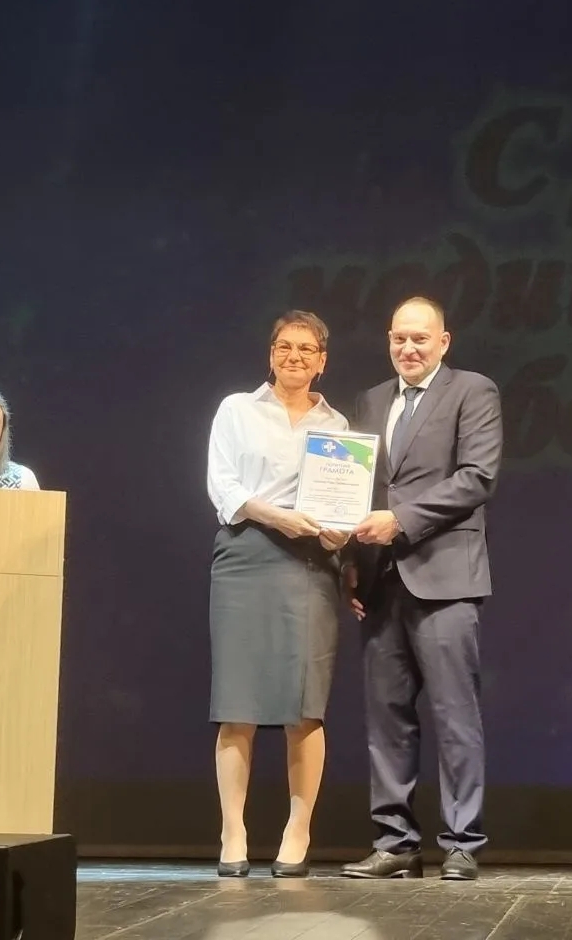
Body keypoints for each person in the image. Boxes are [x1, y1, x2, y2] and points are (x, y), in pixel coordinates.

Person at [342, 296, 503, 881]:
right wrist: (351, 562)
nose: (408, 348)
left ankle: (461, 842)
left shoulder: (473, 391)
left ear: (443, 341)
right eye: (399, 339)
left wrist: (401, 520)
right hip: (382, 580)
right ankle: (395, 843)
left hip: (446, 577)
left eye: (420, 339)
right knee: (386, 719)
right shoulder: (371, 401)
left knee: (455, 715)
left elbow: (477, 477)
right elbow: (360, 487)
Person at [205, 310, 352, 879]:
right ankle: (233, 830)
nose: (295, 356)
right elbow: (223, 484)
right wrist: (277, 516)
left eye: (307, 349)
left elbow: (341, 503)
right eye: (285, 346)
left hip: (311, 563)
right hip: (246, 555)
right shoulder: (236, 410)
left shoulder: (337, 425)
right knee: (237, 701)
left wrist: (340, 531)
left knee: (304, 705)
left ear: (322, 361)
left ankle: (298, 829)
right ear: (271, 354)